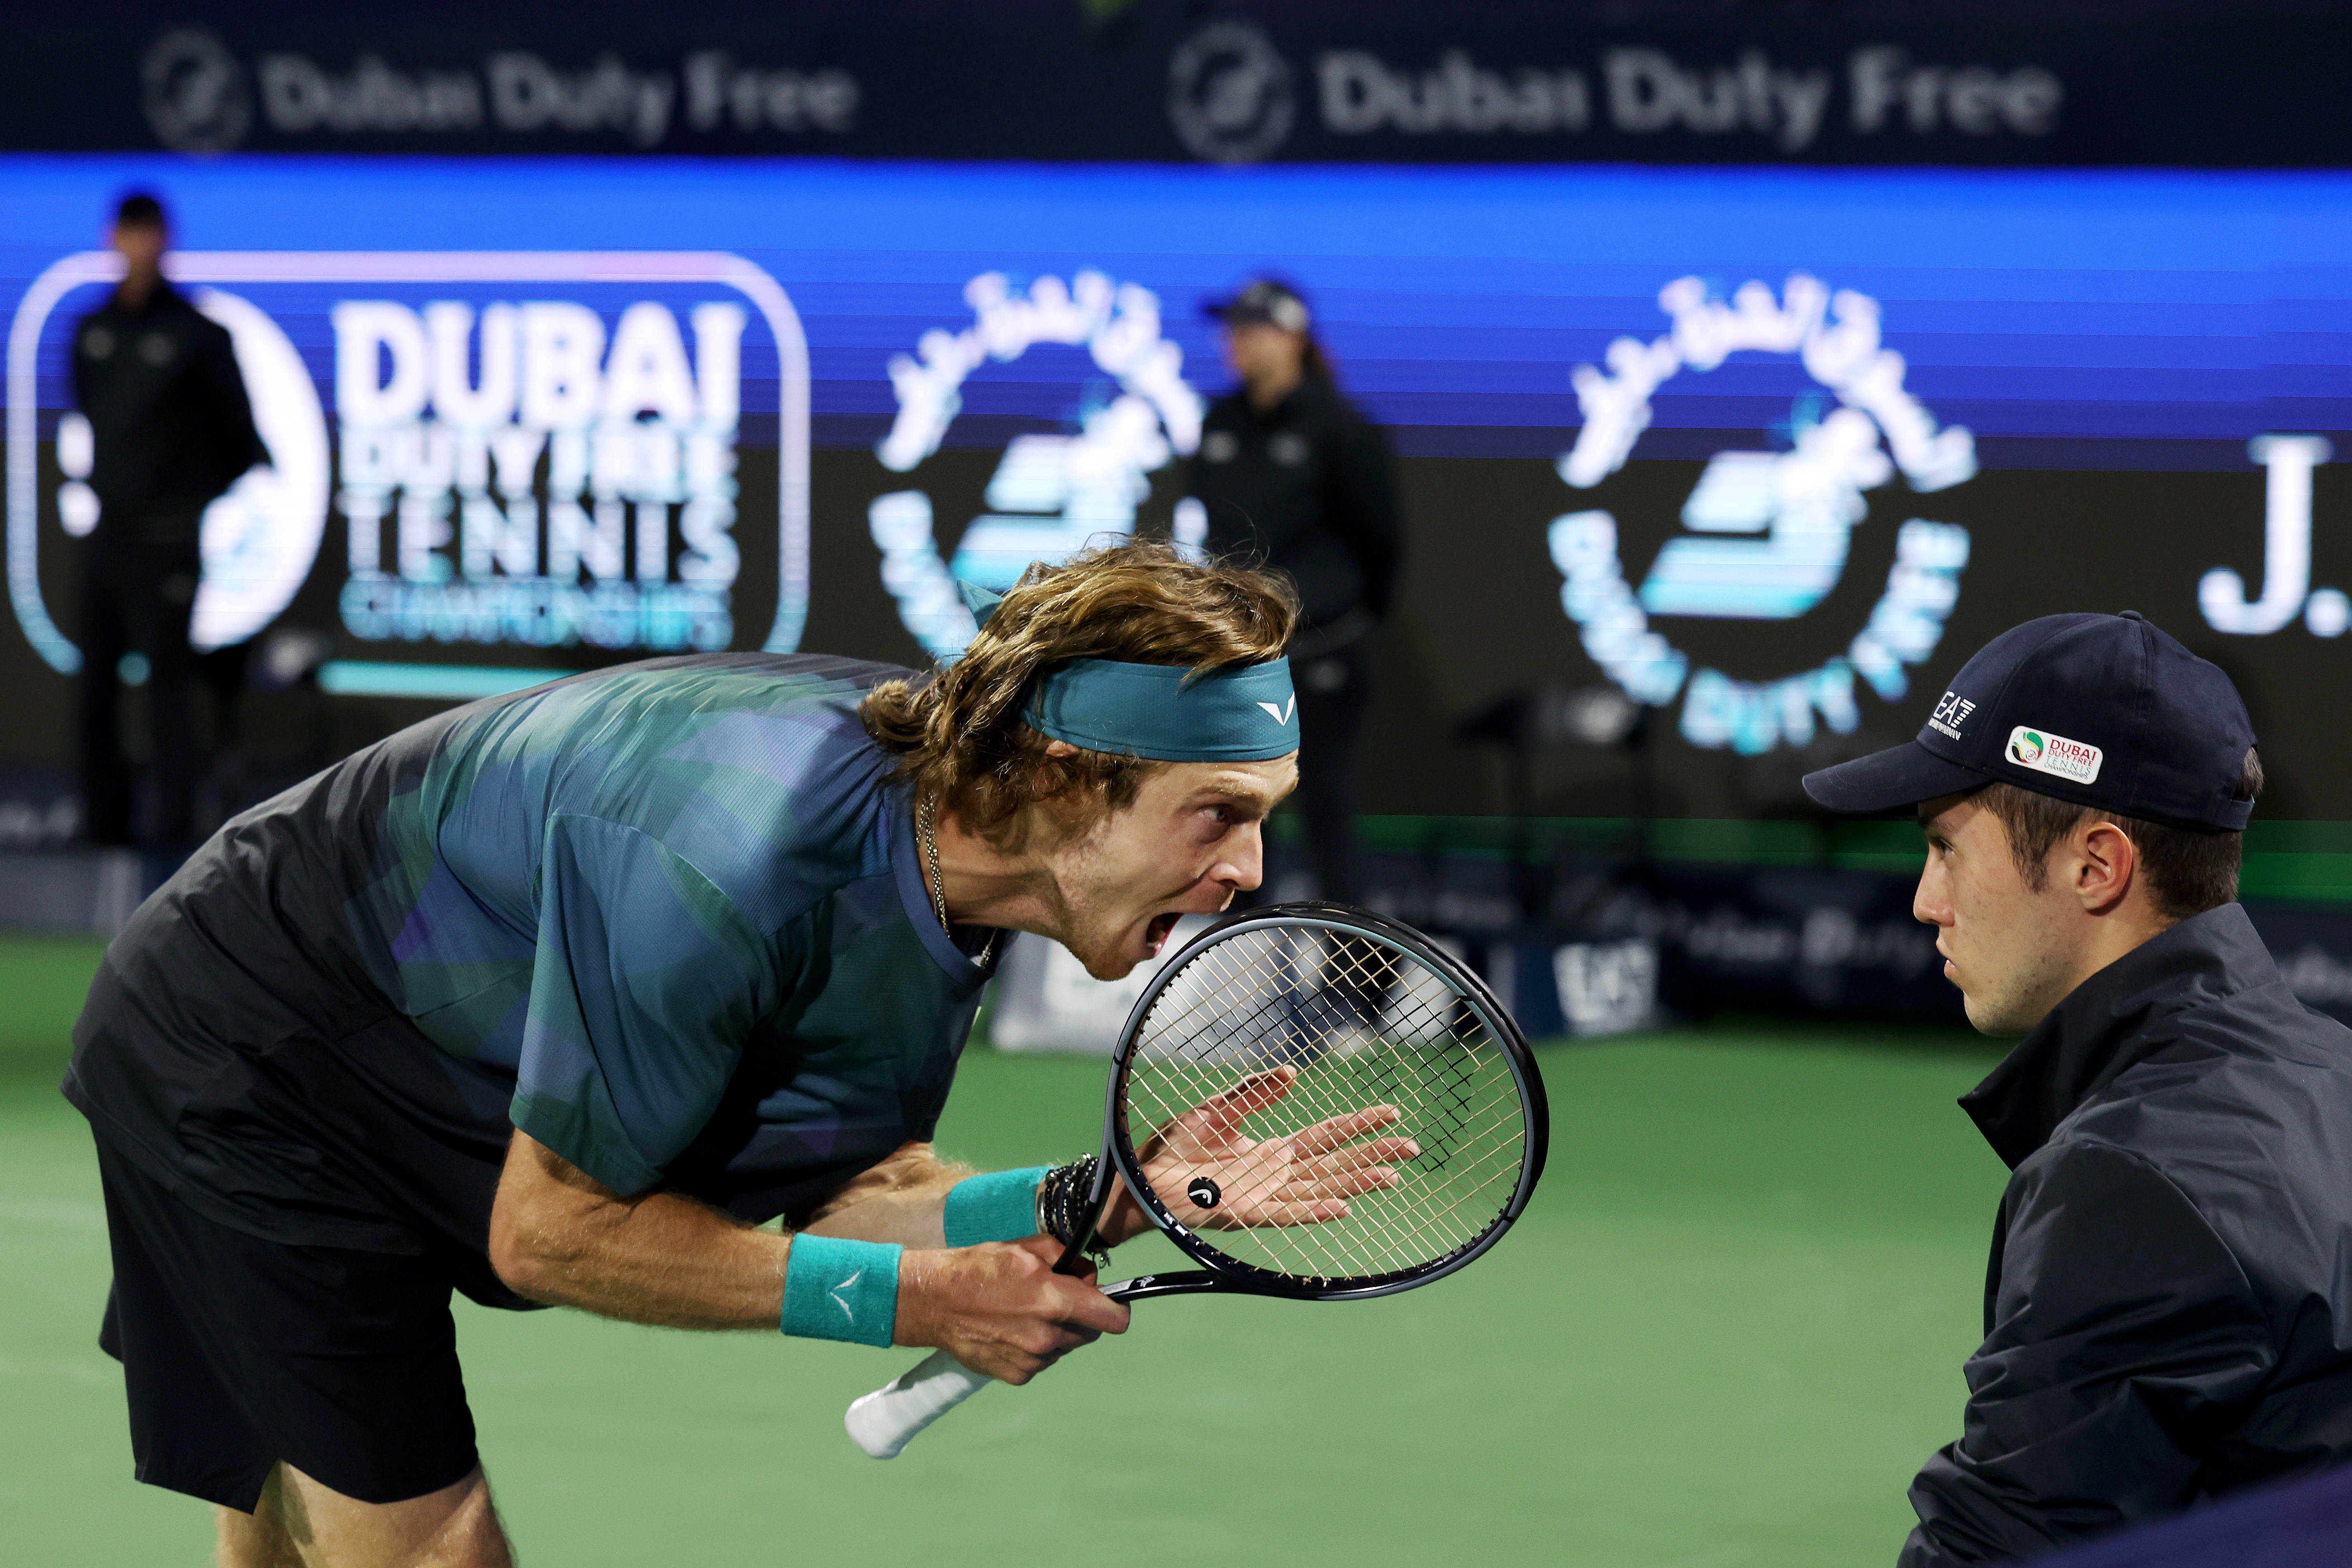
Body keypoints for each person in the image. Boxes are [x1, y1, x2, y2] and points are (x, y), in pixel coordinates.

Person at [65, 543, 1416, 1567]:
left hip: (443, 1065)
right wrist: (921, 1304)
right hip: (254, 1050)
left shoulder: (968, 865)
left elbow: (856, 1190)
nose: (1247, 870)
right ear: (1066, 782)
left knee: (296, 1494)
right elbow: (556, 1233)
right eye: (1215, 815)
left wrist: (1098, 1196)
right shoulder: (736, 852)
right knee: (426, 1541)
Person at [1800, 611, 2352, 1565]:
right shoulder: (2332, 1069)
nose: (1928, 901)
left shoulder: (2132, 1179)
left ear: (2095, 865)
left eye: (1946, 847)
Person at [1188, 278, 1401, 906]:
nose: (1233, 342)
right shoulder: (1218, 422)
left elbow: (1382, 542)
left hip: (1323, 650)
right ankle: (1243, 979)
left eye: (1248, 329)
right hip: (1242, 659)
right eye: (1231, 329)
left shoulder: (1341, 428)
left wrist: (1337, 617)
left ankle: (1358, 986)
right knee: (1237, 817)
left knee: (1327, 809)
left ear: (1289, 338)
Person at [70, 191, 268, 852]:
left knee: (167, 696)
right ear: (111, 239)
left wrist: (184, 504)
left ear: (165, 238)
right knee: (93, 694)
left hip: (168, 546)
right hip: (107, 540)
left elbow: (243, 442)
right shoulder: (90, 333)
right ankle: (99, 838)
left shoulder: (199, 336)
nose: (137, 246)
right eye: (127, 233)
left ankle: (172, 845)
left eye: (147, 232)